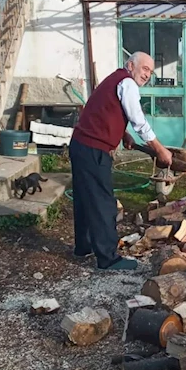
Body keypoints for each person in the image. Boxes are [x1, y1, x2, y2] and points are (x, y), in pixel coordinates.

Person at [70, 52, 173, 271]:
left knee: (84, 199)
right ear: (130, 65)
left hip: (80, 145)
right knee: (103, 203)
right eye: (144, 69)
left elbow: (107, 111)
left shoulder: (115, 79)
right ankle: (108, 259)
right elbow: (138, 120)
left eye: (150, 72)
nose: (147, 75)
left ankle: (84, 246)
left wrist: (122, 134)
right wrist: (160, 149)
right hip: (92, 149)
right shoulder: (127, 83)